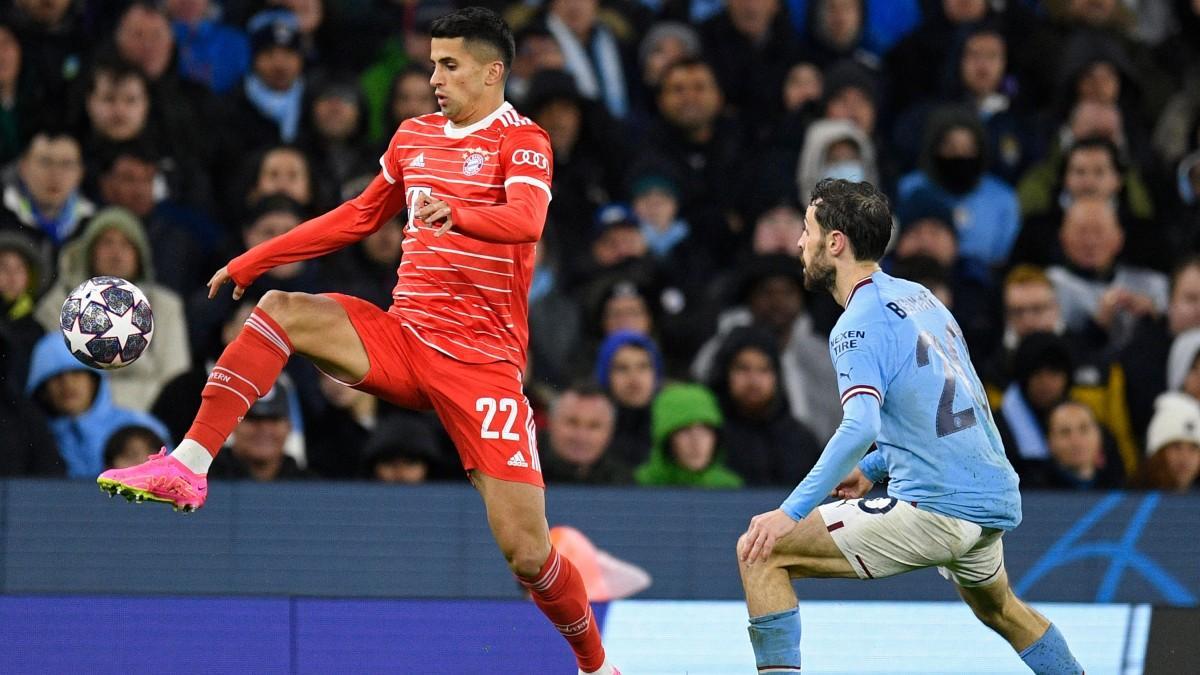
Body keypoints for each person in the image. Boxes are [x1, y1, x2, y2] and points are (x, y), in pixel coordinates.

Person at [96, 9, 617, 674]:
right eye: (431, 62)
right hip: (404, 337)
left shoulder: (524, 141)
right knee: (282, 309)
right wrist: (260, 256)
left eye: (449, 65)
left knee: (527, 552)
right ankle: (189, 466)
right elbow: (358, 216)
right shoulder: (414, 137)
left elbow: (526, 219)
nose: (433, 77)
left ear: (493, 72)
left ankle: (596, 665)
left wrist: (457, 211)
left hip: (483, 369)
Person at [736, 179, 1082, 674]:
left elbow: (858, 426)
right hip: (990, 500)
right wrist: (874, 467)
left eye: (807, 230)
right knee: (1003, 610)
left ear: (835, 242)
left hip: (937, 508)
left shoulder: (855, 325)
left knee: (760, 553)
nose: (798, 243)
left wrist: (790, 512)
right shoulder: (919, 298)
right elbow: (954, 404)